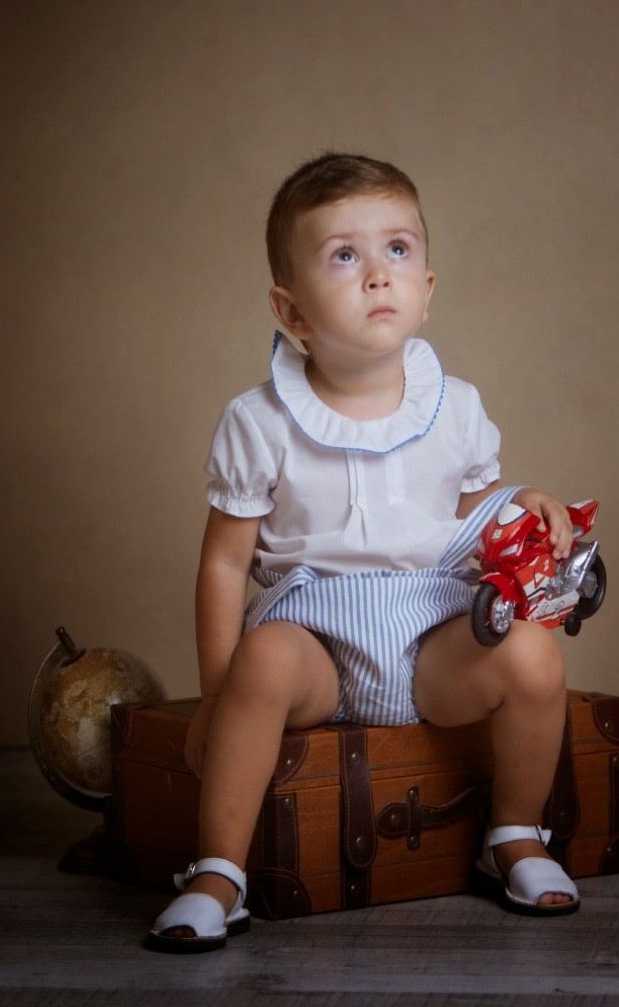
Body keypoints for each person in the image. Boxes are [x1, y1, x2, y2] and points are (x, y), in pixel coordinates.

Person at [148, 153, 580, 953]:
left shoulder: (455, 407)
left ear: (426, 294)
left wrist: (518, 503)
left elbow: (460, 517)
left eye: (397, 251)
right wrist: (217, 694)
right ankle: (218, 872)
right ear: (294, 311)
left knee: (532, 657)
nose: (378, 274)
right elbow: (222, 564)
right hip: (316, 635)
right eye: (344, 256)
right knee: (264, 660)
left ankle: (515, 832)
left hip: (430, 632)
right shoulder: (260, 420)